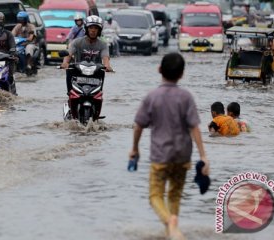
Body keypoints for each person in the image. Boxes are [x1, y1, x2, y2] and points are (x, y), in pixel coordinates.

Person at [129, 52, 209, 240]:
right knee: (174, 195)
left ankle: (169, 222)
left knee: (155, 196)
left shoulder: (152, 97)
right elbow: (194, 127)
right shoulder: (186, 97)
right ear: (182, 74)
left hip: (160, 156)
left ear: (159, 70)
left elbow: (139, 125)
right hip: (182, 156)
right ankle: (172, 232)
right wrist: (203, 156)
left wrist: (134, 148)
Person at [61, 15, 113, 93]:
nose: (93, 30)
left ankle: (99, 95)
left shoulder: (103, 44)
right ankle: (70, 94)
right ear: (86, 29)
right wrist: (65, 63)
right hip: (78, 72)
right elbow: (69, 53)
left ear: (99, 30)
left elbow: (105, 57)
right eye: (91, 28)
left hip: (95, 73)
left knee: (102, 72)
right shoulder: (77, 42)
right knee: (69, 70)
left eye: (96, 28)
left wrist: (107, 66)